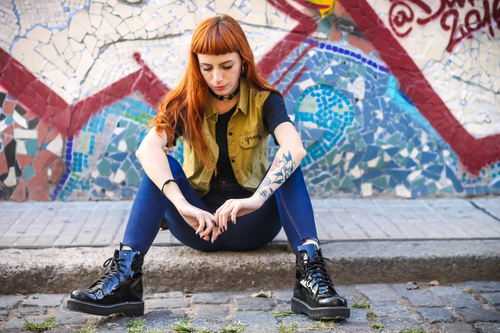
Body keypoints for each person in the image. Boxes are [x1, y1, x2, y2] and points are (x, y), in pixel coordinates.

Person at [67, 15, 349, 320]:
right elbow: (146, 149)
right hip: (196, 225)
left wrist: (254, 200)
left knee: (289, 164)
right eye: (207, 67)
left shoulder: (266, 101)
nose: (217, 77)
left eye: (226, 66)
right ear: (196, 65)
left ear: (243, 61)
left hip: (251, 224)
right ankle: (124, 281)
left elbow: (294, 147)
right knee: (162, 165)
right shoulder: (184, 104)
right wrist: (181, 205)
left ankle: (311, 279)